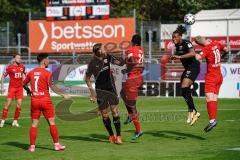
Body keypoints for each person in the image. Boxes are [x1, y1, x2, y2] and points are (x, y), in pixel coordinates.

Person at [23, 53, 69, 152]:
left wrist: (28, 90)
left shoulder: (31, 72)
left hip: (35, 100)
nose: (48, 61)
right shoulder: (47, 73)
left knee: (34, 124)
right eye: (48, 59)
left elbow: (23, 83)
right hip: (45, 100)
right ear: (44, 61)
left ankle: (32, 147)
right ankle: (56, 145)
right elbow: (53, 87)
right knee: (52, 123)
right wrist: (63, 95)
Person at [85, 43, 124, 144]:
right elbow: (87, 79)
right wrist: (92, 93)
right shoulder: (92, 63)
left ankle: (119, 136)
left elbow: (119, 63)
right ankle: (111, 135)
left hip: (111, 88)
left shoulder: (108, 57)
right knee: (105, 115)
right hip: (100, 91)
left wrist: (124, 58)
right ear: (98, 51)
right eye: (103, 48)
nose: (105, 49)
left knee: (115, 112)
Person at [195, 36, 228, 132]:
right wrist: (222, 56)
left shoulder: (206, 49)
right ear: (205, 39)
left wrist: (190, 51)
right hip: (219, 75)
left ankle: (212, 120)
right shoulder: (217, 43)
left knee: (209, 98)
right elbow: (226, 49)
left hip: (211, 76)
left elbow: (198, 57)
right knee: (213, 98)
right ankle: (212, 120)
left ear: (200, 44)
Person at [170, 25, 200, 125]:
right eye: (172, 37)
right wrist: (175, 57)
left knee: (184, 86)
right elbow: (181, 56)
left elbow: (192, 54)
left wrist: (179, 56)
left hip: (194, 67)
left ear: (180, 37)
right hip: (187, 68)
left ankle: (193, 111)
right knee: (183, 91)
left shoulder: (187, 43)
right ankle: (193, 110)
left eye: (175, 37)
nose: (173, 39)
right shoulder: (177, 45)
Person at [120, 34, 144, 140]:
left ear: (132, 41)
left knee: (132, 105)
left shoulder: (131, 50)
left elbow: (131, 62)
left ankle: (138, 130)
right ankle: (130, 114)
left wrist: (124, 59)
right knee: (122, 92)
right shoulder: (141, 50)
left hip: (133, 79)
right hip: (139, 77)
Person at [0, 53, 26, 128]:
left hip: (19, 89)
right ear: (14, 59)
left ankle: (15, 122)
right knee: (7, 104)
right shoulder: (10, 67)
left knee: (19, 105)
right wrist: (1, 87)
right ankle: (2, 121)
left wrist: (24, 83)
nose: (19, 59)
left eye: (20, 58)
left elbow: (25, 74)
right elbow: (3, 77)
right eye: (18, 58)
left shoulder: (22, 67)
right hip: (12, 88)